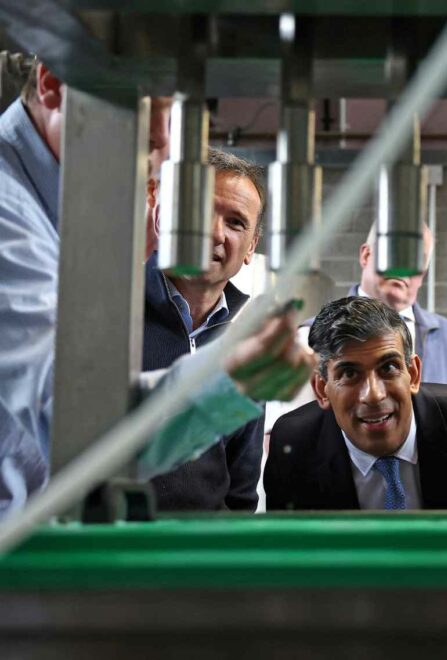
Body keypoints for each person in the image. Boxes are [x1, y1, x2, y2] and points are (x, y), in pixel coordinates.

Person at [0, 60, 315, 516]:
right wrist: (229, 378)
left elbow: (239, 484)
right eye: (150, 106)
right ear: (53, 84)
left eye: (175, 114)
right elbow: (75, 430)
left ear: (252, 246)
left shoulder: (51, 215)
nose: (165, 140)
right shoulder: (13, 218)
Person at [264, 296, 447, 511]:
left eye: (388, 368)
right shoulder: (294, 446)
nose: (373, 395)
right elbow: (290, 570)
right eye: (349, 374)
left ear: (413, 374)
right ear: (321, 389)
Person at [143, 148, 268, 511]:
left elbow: (241, 485)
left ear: (250, 248)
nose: (215, 232)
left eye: (235, 223)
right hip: (115, 549)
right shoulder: (110, 314)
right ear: (163, 219)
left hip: (204, 552)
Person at [353, 221, 447, 388]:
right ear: (366, 255)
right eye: (394, 250)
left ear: (423, 274)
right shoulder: (315, 336)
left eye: (417, 258)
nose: (404, 266)